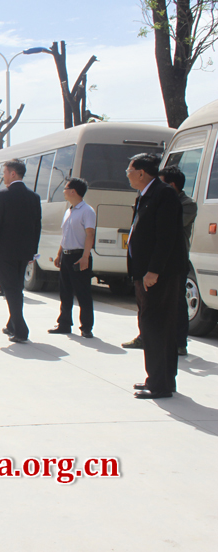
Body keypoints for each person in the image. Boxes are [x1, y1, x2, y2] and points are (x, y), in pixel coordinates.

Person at [126, 154, 188, 399]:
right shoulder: (146, 195)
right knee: (152, 326)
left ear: (142, 172)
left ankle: (160, 385)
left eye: (129, 169)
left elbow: (166, 237)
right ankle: (159, 379)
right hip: (145, 273)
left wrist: (154, 270)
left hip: (158, 275)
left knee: (157, 327)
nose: (127, 174)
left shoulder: (163, 194)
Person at [0, 159, 42, 344]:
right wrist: (33, 252)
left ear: (13, 173)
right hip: (25, 252)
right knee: (16, 287)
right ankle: (12, 324)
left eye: (4, 173)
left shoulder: (3, 195)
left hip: (6, 251)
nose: (3, 177)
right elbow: (37, 226)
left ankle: (20, 330)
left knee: (10, 290)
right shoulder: (33, 197)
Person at [48, 178, 96, 338]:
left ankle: (86, 327)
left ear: (73, 191)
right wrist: (59, 254)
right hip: (67, 256)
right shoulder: (69, 211)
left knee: (83, 293)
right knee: (65, 292)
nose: (64, 191)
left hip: (79, 256)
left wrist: (85, 257)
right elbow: (65, 235)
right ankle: (64, 324)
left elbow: (90, 234)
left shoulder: (87, 211)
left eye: (66, 188)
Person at [160, 166, 197, 355]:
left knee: (177, 302)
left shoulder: (187, 204)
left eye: (162, 183)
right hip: (158, 258)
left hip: (176, 259)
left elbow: (169, 224)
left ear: (172, 185)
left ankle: (180, 343)